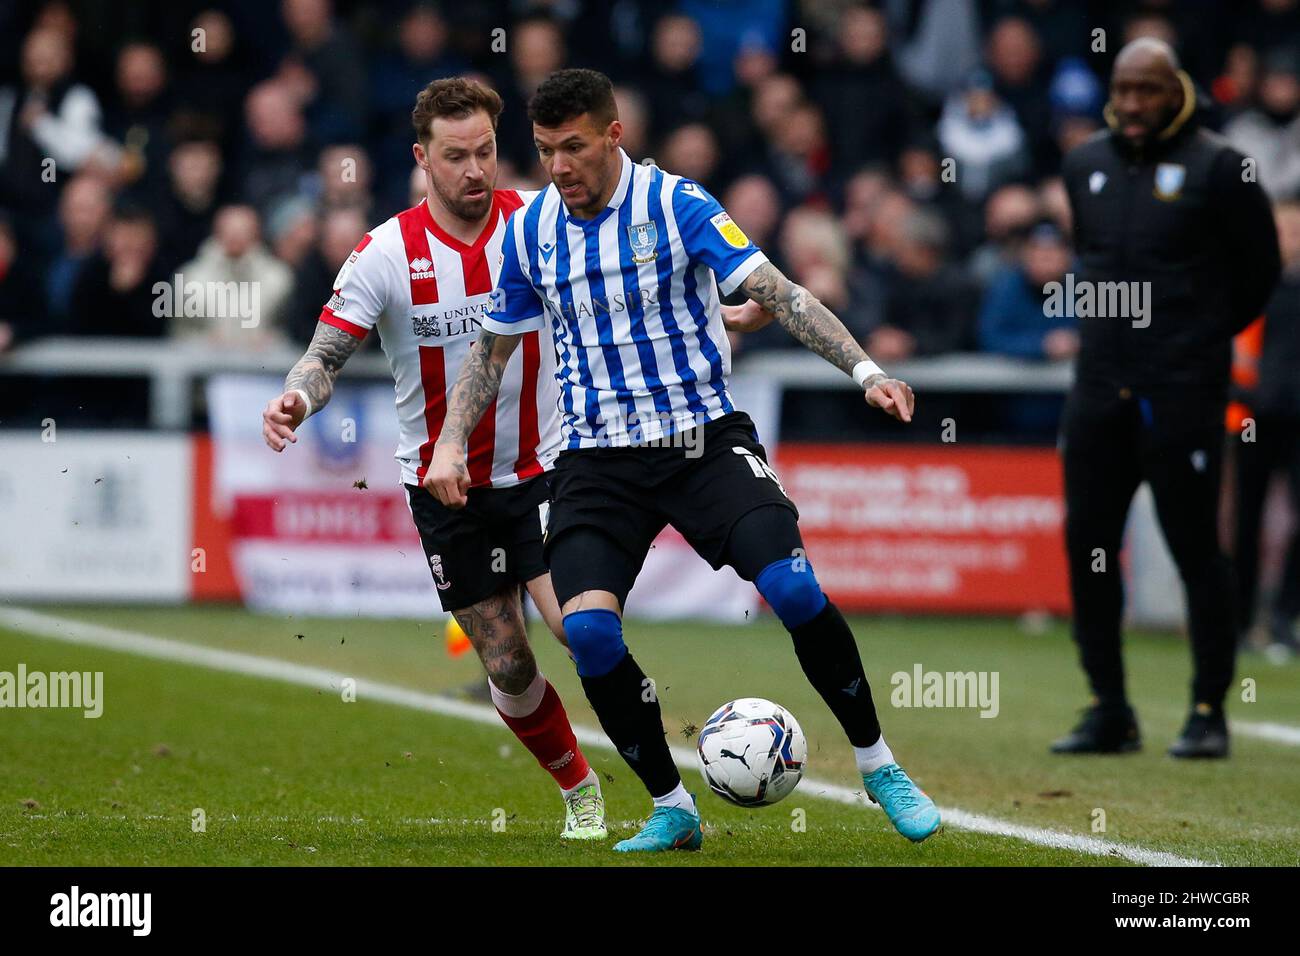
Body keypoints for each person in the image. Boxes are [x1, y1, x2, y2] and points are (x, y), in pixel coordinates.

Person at [427, 68, 939, 853]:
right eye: (543, 150)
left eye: (573, 148)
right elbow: (491, 351)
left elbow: (778, 291)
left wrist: (867, 372)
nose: (558, 166)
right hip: (597, 462)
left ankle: (879, 765)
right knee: (591, 635)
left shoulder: (677, 204)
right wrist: (454, 441)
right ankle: (671, 804)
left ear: (613, 136)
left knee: (794, 591)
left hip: (702, 441)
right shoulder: (530, 230)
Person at [260, 77, 608, 840]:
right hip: (445, 490)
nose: (476, 170)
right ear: (424, 159)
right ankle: (580, 787)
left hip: (548, 470)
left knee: (585, 633)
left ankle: (666, 797)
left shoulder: (539, 222)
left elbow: (619, 289)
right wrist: (296, 396)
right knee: (509, 665)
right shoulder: (385, 253)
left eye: (486, 151)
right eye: (456, 157)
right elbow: (325, 354)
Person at [1053, 39, 1281, 759]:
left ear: (1176, 89)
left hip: (1180, 394)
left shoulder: (1220, 166)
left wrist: (1195, 343)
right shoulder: (1084, 162)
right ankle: (1108, 708)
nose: (1133, 106)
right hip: (1097, 390)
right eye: (1122, 91)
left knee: (1195, 552)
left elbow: (1260, 272)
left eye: (1147, 91)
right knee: (1088, 545)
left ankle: (1209, 707)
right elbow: (1090, 259)